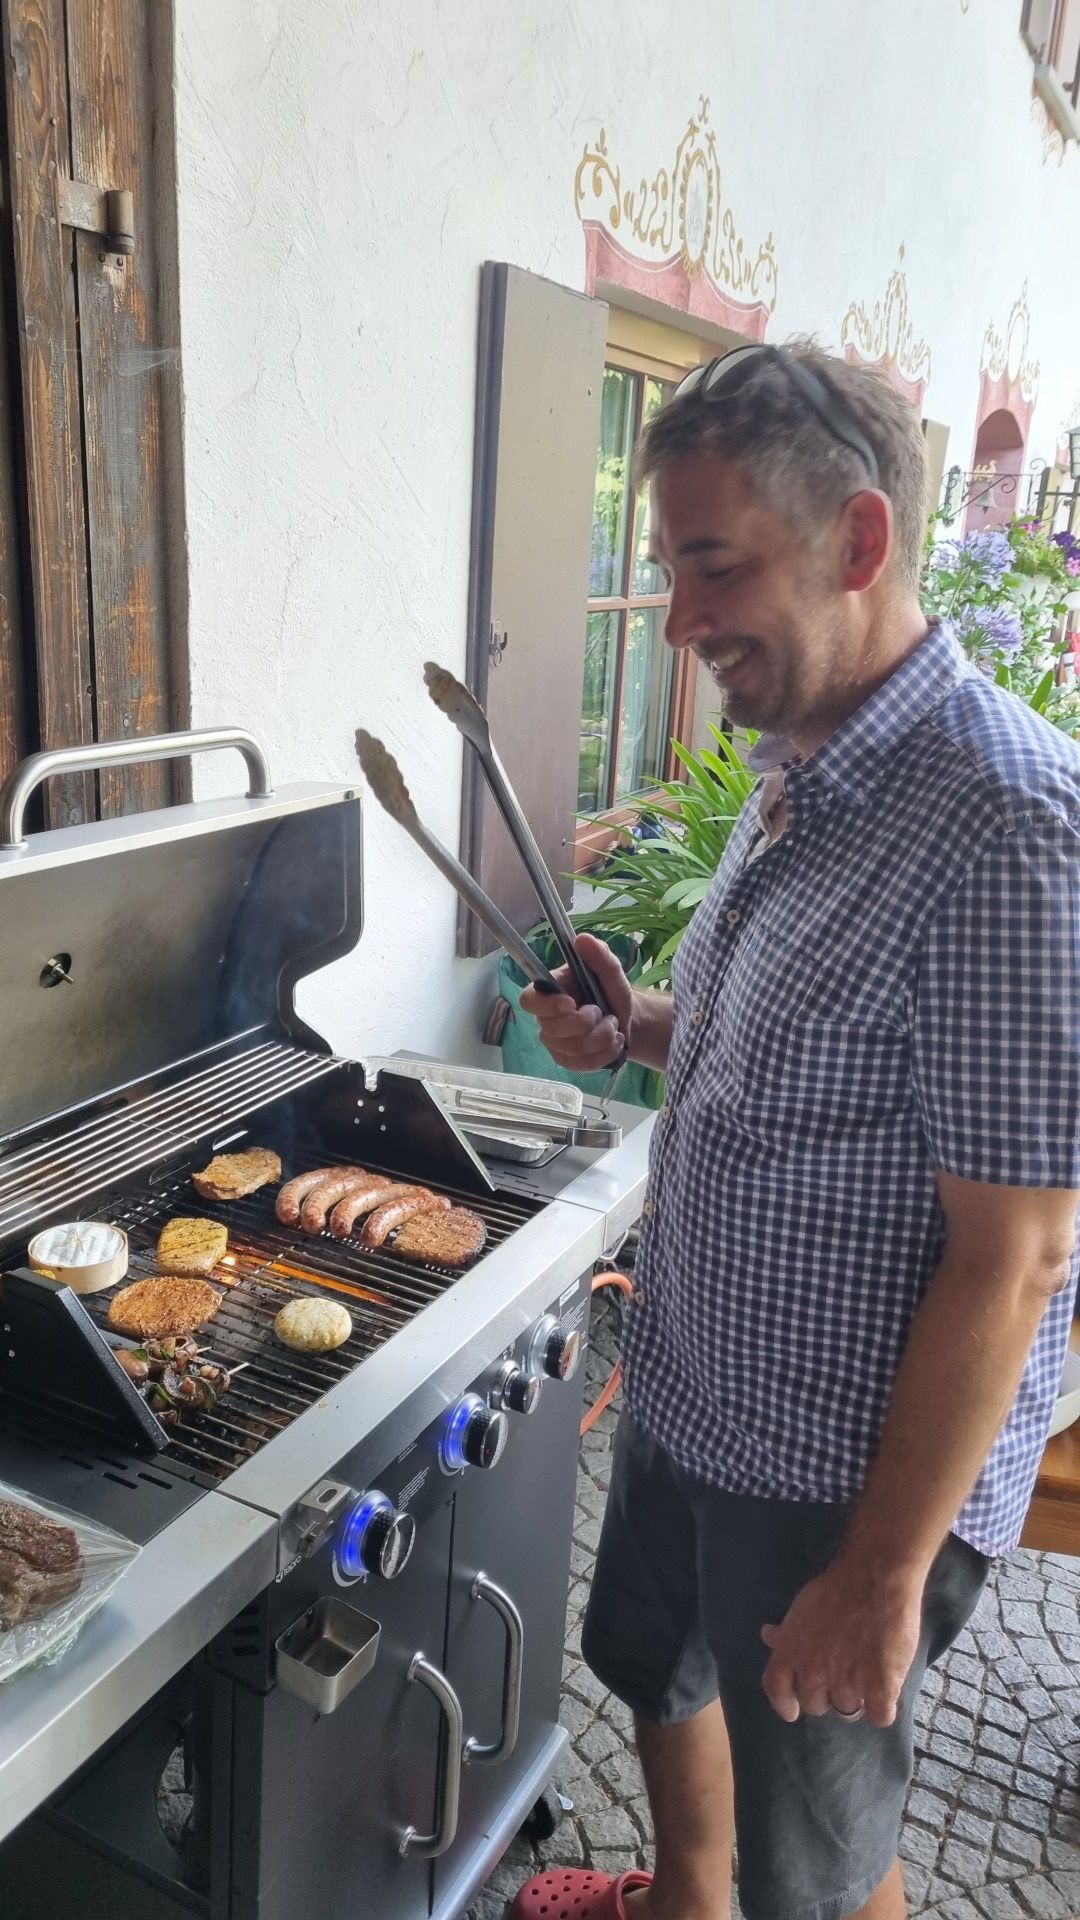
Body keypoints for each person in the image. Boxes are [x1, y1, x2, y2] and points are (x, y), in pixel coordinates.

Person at [508, 342, 1080, 1920]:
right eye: (668, 570)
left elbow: (1020, 1258)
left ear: (860, 540)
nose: (678, 624)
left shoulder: (1008, 827)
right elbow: (784, 1055)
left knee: (816, 1853)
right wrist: (633, 1027)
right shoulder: (802, 765)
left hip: (837, 1478)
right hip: (695, 1385)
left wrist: (880, 1576)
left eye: (715, 567)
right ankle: (681, 1907)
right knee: (655, 1662)